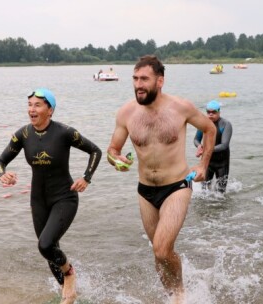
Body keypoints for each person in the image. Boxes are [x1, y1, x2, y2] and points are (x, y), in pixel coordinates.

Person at [106, 55, 216, 303]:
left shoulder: (180, 107)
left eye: (144, 79)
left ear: (160, 81)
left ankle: (180, 295)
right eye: (135, 79)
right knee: (159, 255)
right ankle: (170, 295)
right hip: (145, 191)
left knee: (161, 248)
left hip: (177, 186)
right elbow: (112, 150)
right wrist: (116, 160)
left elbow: (210, 128)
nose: (138, 84)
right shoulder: (126, 112)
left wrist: (203, 165)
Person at [0, 88, 101, 304]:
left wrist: (86, 177)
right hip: (38, 200)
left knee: (45, 244)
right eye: (30, 105)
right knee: (50, 250)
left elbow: (95, 151)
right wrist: (3, 175)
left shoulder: (64, 132)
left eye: (37, 105)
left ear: (49, 110)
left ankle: (69, 274)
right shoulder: (23, 134)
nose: (31, 109)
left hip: (64, 198)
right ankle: (68, 295)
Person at [194, 100, 233, 193]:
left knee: (221, 192)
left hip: (222, 162)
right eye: (208, 112)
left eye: (214, 112)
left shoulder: (226, 124)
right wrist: (199, 146)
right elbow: (196, 139)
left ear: (219, 111)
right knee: (204, 190)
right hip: (207, 161)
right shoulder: (204, 124)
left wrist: (206, 150)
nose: (211, 114)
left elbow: (224, 145)